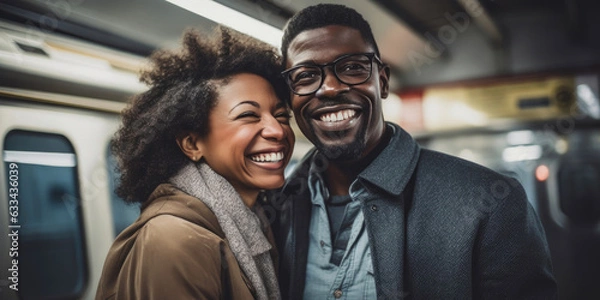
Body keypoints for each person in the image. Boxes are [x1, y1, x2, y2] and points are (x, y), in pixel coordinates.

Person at [269, 4, 557, 299]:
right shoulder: (276, 207)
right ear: (290, 97)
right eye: (305, 75)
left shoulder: (490, 204)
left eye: (352, 68)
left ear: (382, 82)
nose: (329, 88)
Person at [95, 26, 293, 300]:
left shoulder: (255, 220)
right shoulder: (173, 239)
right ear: (192, 144)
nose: (278, 130)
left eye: (282, 115)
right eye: (248, 115)